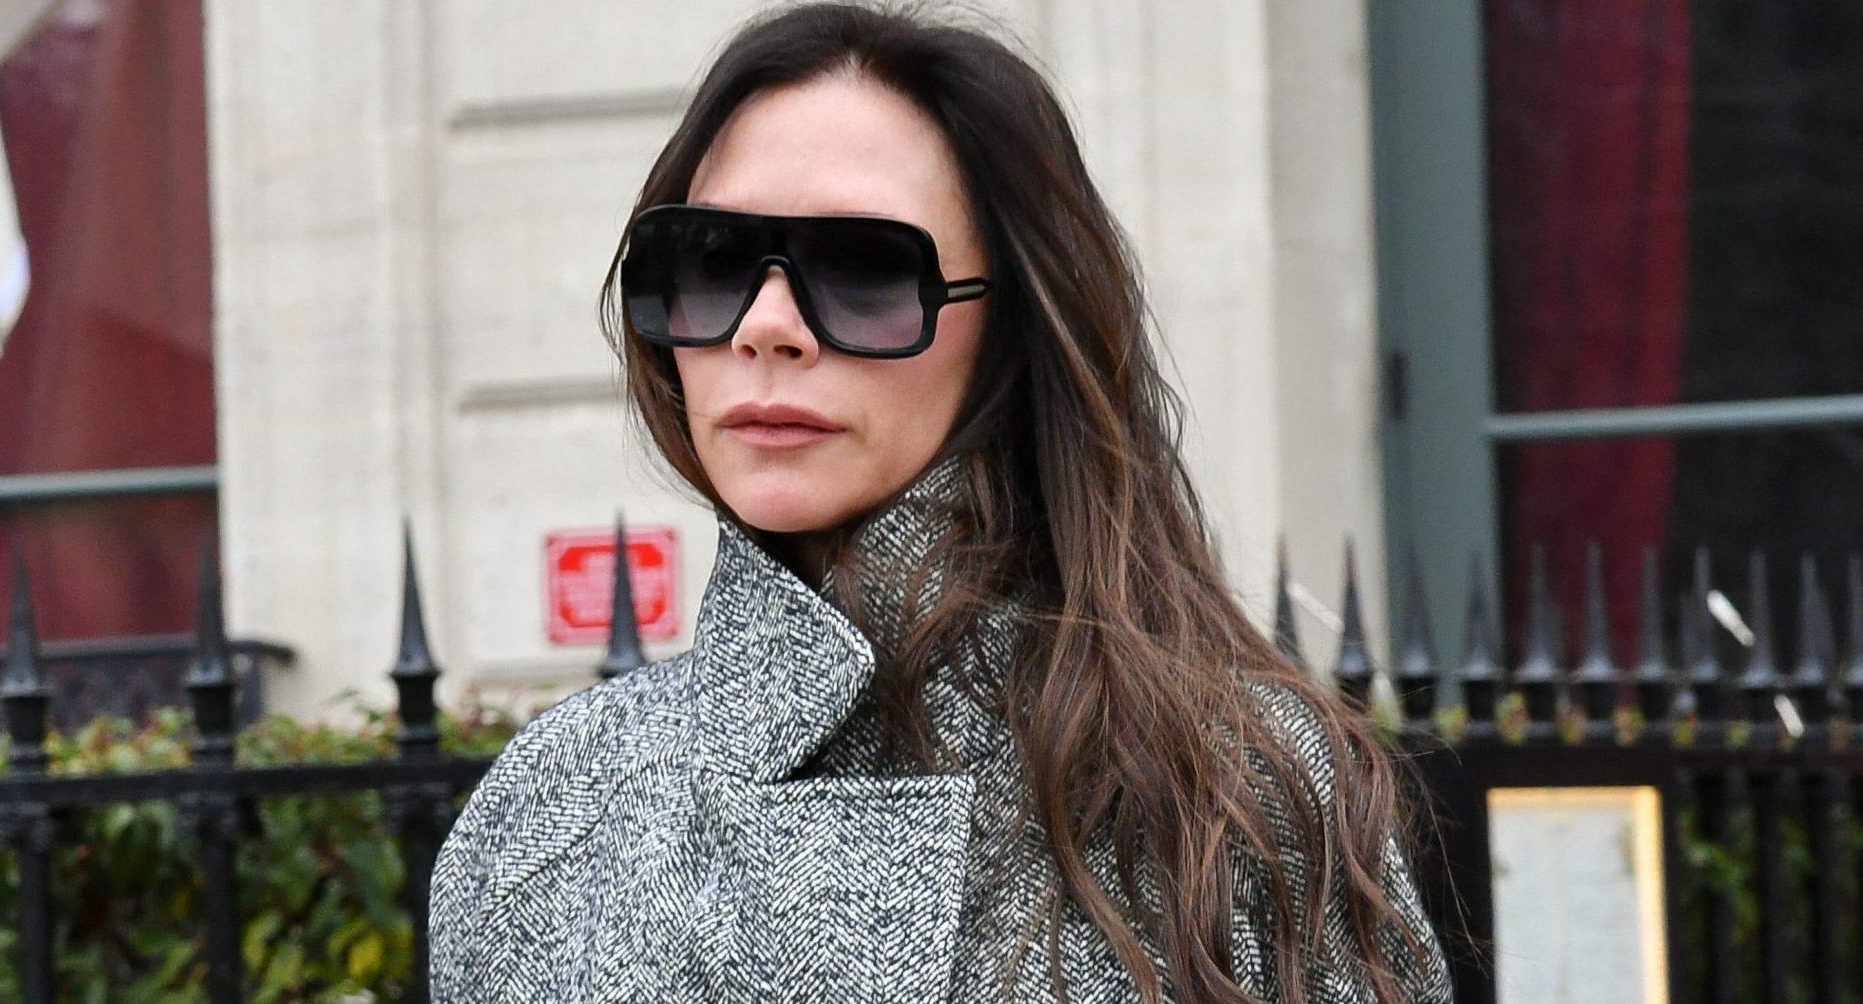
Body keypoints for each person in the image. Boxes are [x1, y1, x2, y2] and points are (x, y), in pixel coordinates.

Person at [427, 3, 1452, 1001]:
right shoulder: (550, 813)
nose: (765, 326)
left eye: (864, 271)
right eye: (710, 263)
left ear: (1009, 324)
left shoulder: (1243, 791)